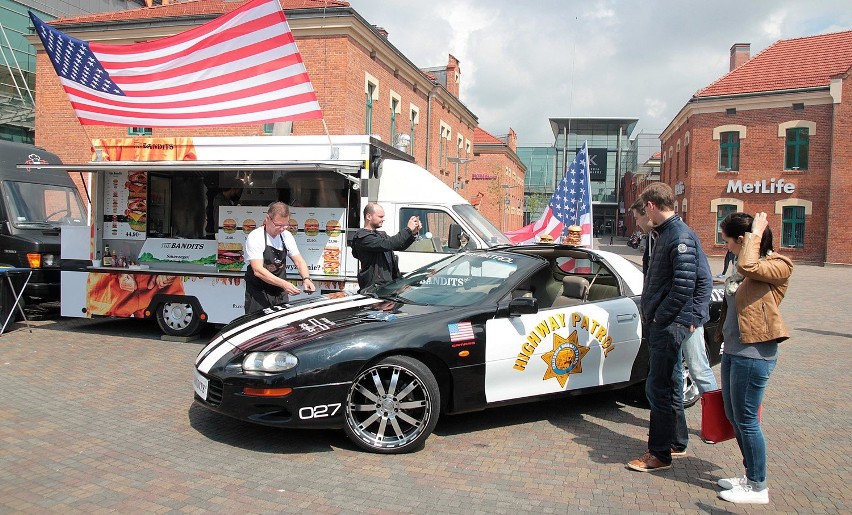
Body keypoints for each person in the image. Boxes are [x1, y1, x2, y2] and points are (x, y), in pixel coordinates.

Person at [628, 198, 715, 460]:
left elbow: (692, 282)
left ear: (651, 207)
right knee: (672, 383)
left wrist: (663, 317)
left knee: (661, 387)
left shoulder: (679, 236)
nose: (638, 223)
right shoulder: (660, 236)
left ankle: (660, 452)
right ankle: (676, 441)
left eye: (639, 216)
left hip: (671, 323)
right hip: (666, 321)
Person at [715, 212, 792, 504]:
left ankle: (758, 486)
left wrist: (756, 231)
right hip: (735, 349)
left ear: (742, 240)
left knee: (747, 420)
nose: (725, 245)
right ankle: (749, 476)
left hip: (756, 352)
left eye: (727, 239)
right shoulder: (739, 265)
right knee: (735, 416)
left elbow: (749, 265)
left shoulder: (777, 265)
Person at [243, 202, 315, 314]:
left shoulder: (286, 236)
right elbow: (257, 270)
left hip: (279, 292)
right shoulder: (256, 236)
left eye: (285, 225)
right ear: (267, 218)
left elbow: (299, 261)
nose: (282, 229)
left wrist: (306, 278)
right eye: (278, 225)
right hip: (259, 292)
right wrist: (284, 284)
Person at [351, 203, 420, 291]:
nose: (383, 219)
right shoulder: (363, 238)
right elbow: (389, 244)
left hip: (387, 286)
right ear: (368, 216)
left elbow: (398, 245)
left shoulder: (380, 235)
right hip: (373, 289)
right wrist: (408, 229)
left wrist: (413, 233)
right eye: (380, 216)